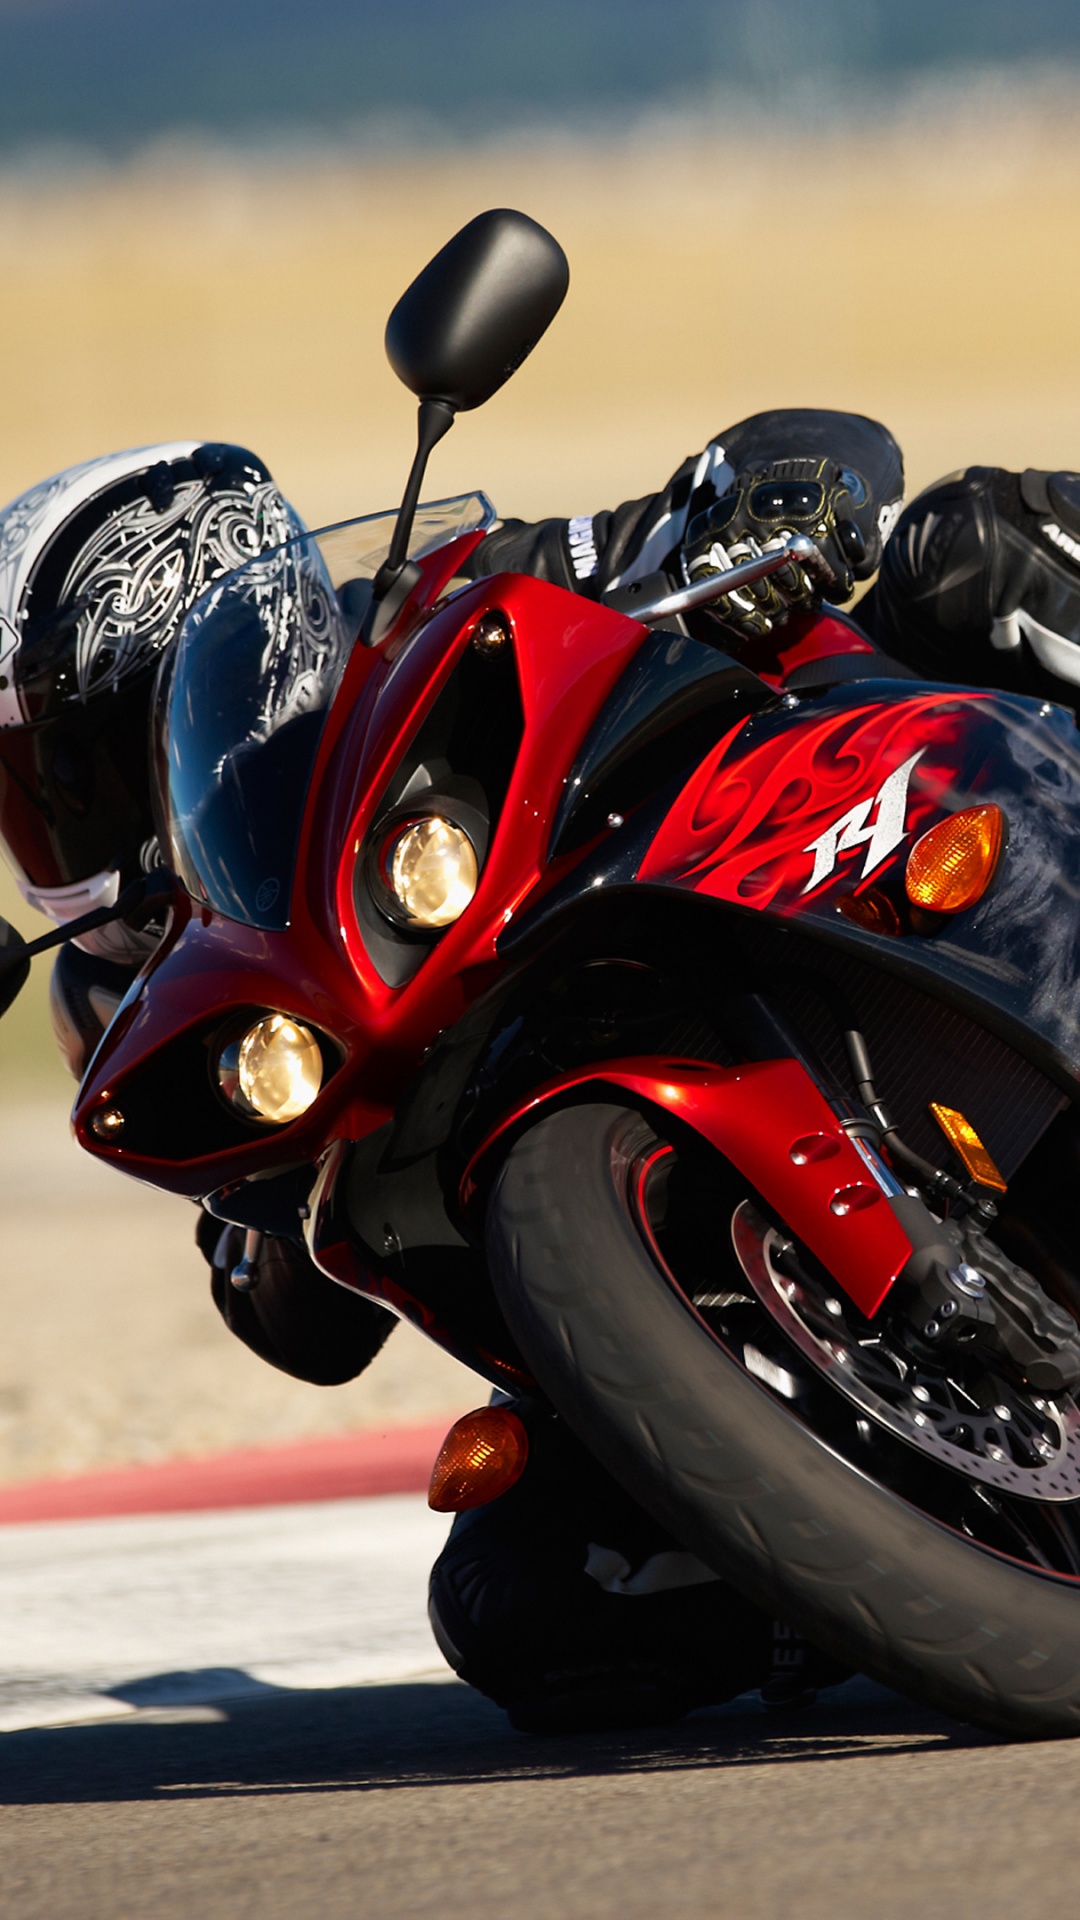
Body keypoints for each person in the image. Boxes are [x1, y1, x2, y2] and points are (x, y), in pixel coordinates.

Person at [4, 415, 1080, 1732]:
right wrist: (264, 1225)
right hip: (592, 1192)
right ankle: (922, 1562)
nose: (61, 820)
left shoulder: (445, 607)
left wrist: (787, 495)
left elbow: (750, 477)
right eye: (25, 790)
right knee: (530, 1599)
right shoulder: (131, 997)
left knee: (981, 551)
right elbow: (302, 1329)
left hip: (812, 859)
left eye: (78, 761)